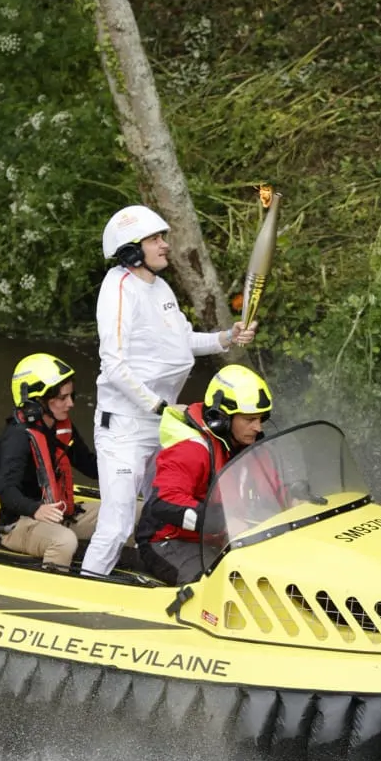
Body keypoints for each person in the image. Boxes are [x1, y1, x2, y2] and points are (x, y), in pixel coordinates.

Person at [78, 205, 257, 579]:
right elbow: (113, 363)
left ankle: (169, 572)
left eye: (164, 237)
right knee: (118, 523)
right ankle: (87, 586)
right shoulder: (119, 288)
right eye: (156, 239)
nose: (165, 245)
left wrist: (226, 338)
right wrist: (158, 406)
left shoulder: (160, 288)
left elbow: (181, 342)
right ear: (131, 248)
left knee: (173, 501)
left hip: (160, 423)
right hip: (126, 427)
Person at [136, 365, 274, 585]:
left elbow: (273, 490)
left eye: (261, 419)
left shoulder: (250, 445)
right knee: (217, 585)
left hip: (217, 537)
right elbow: (163, 503)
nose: (258, 427)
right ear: (221, 419)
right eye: (250, 420)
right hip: (168, 540)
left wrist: (295, 496)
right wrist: (223, 521)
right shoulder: (192, 449)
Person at [0, 354, 101, 571]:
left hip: (60, 514)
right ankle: (55, 591)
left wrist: (131, 466)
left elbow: (90, 466)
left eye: (72, 396)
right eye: (62, 398)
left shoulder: (60, 427)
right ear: (37, 400)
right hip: (20, 523)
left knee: (131, 512)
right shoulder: (17, 436)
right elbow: (7, 491)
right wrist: (36, 509)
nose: (70, 404)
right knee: (64, 541)